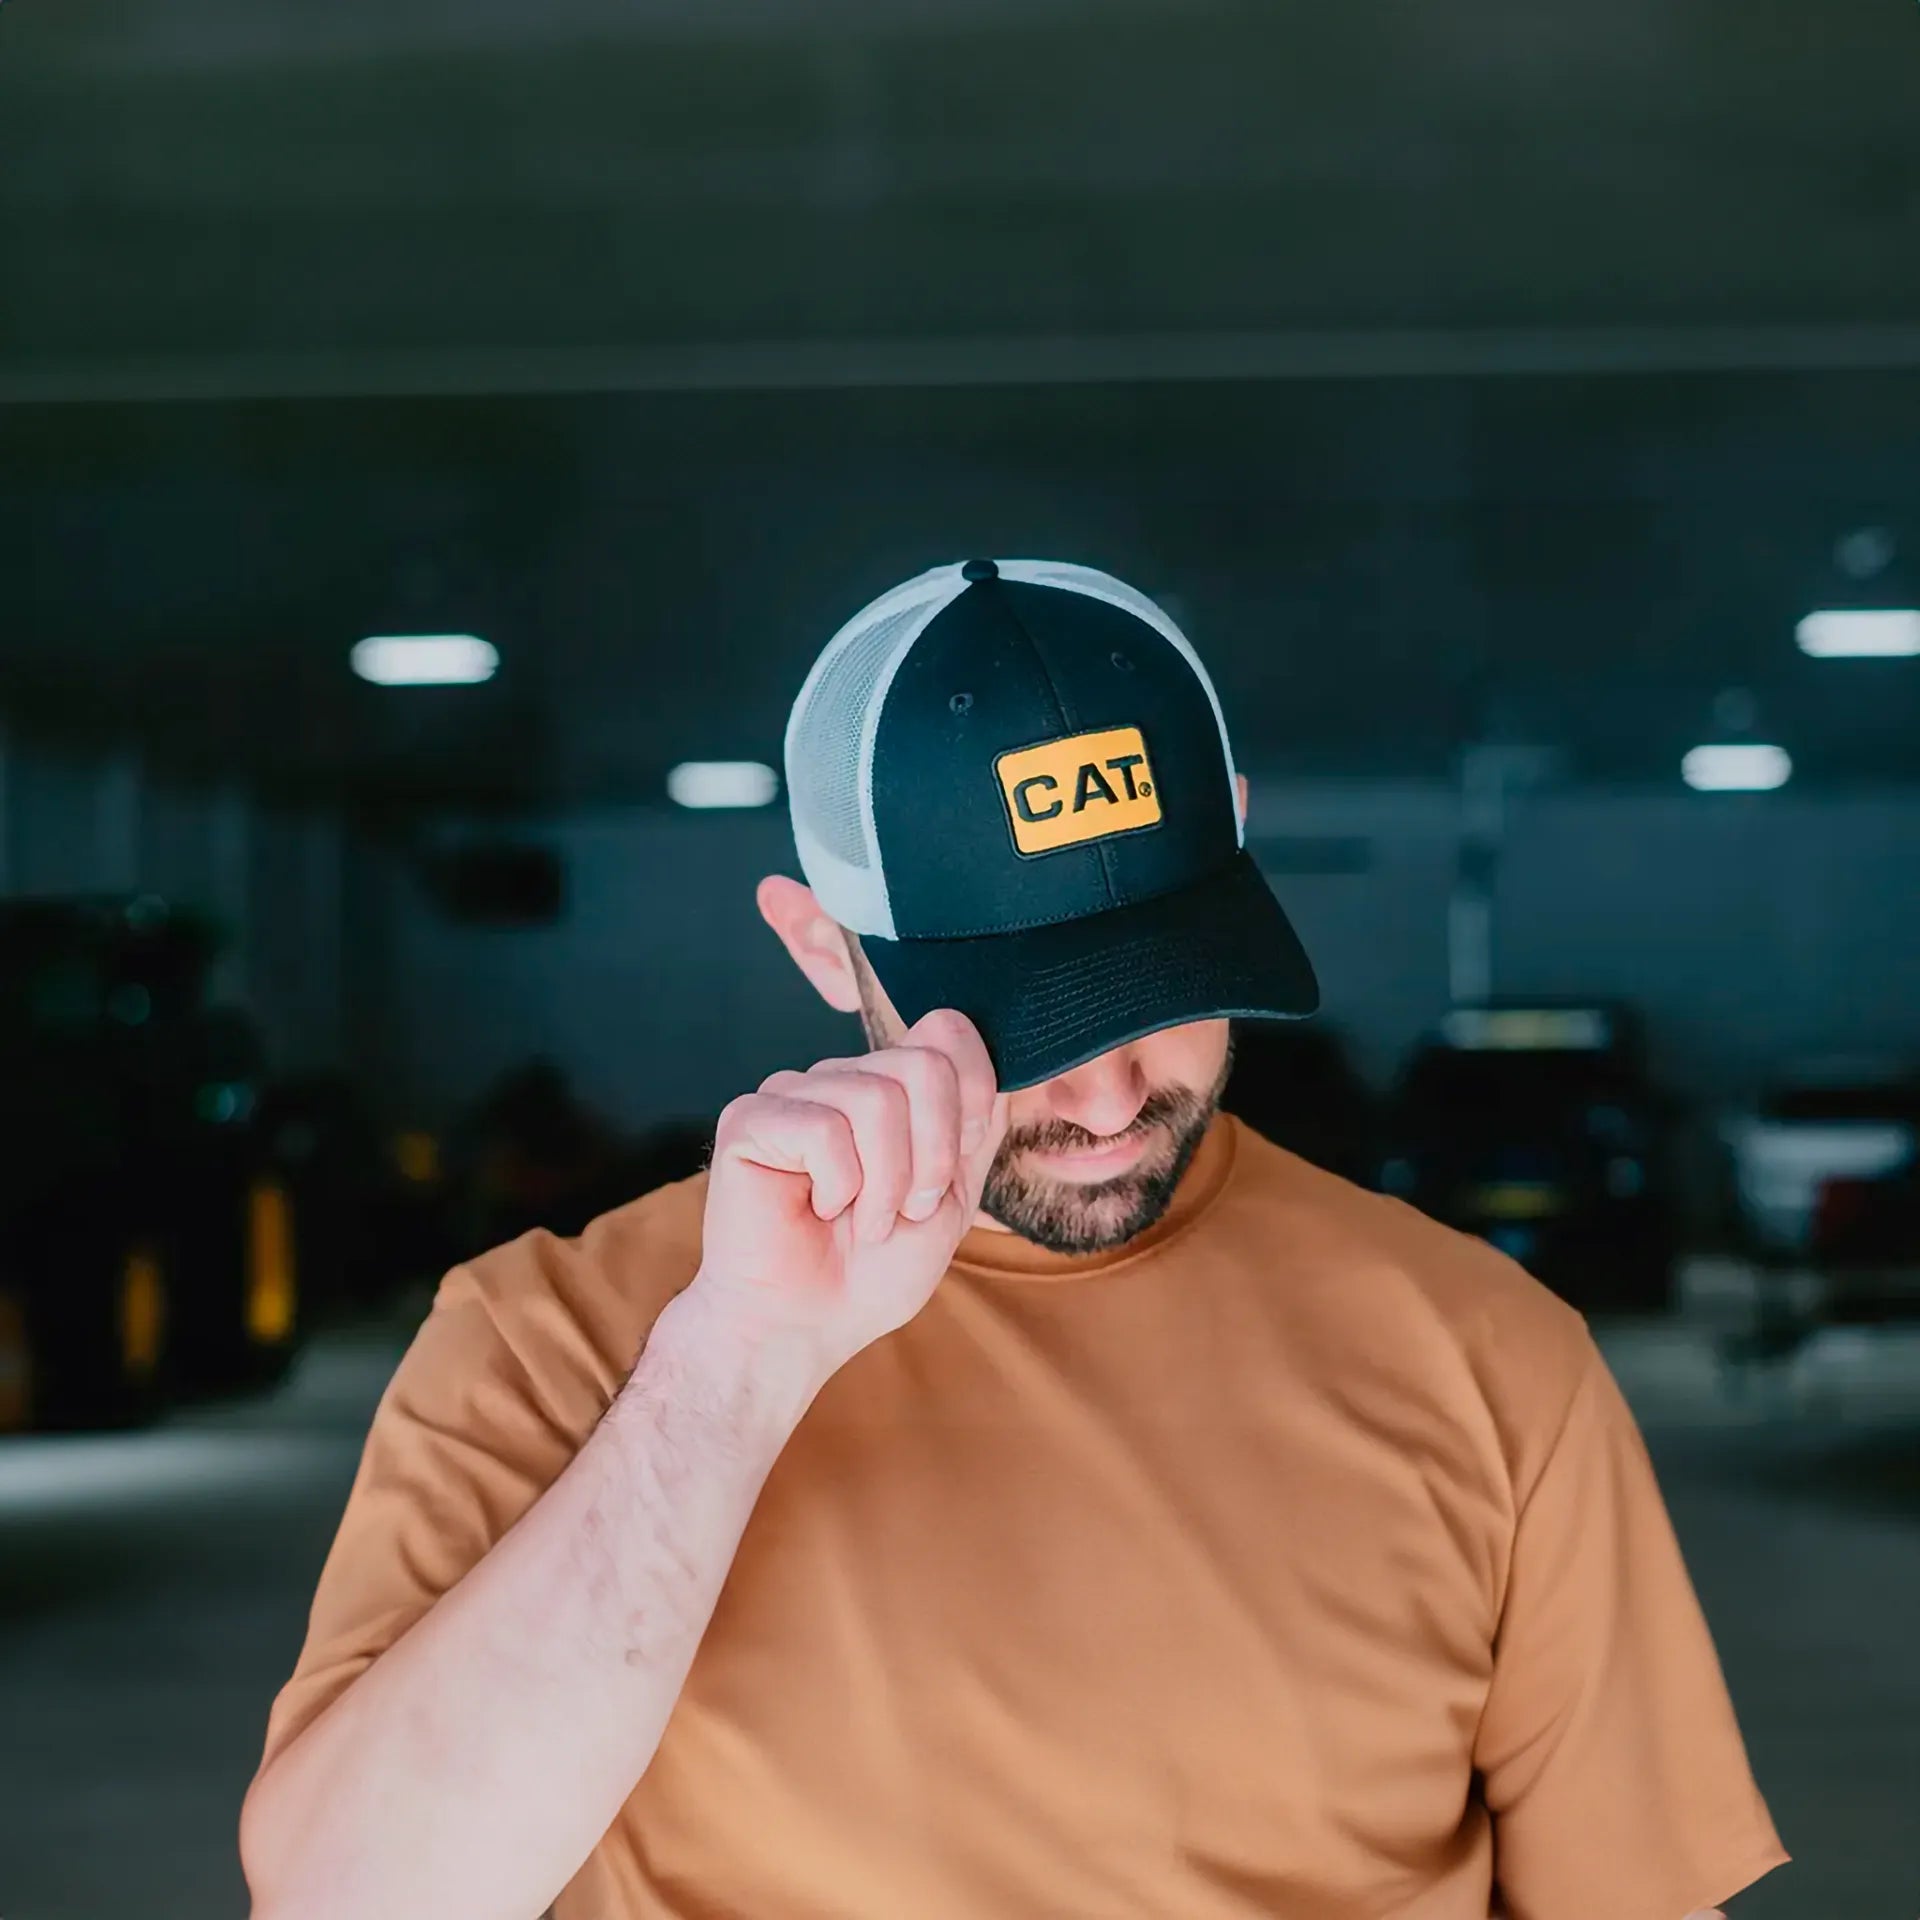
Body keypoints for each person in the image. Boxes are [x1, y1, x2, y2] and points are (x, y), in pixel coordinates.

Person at [241, 560, 1787, 1920]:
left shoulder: (1486, 1355)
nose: (1109, 1092)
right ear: (818, 943)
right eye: (1019, 1013)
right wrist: (730, 1370)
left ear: (1237, 848)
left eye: (1160, 981)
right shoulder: (557, 1339)